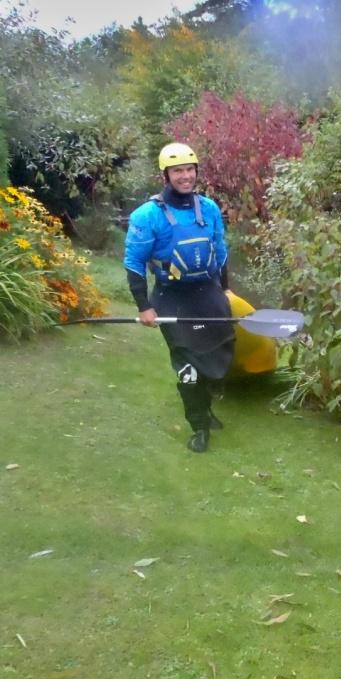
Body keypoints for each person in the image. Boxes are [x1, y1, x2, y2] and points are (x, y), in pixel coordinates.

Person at [123, 142, 234, 453]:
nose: (185, 176)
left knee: (220, 351)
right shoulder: (147, 215)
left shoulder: (209, 209)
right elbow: (134, 263)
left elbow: (221, 251)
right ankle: (198, 425)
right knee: (189, 364)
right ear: (166, 175)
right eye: (177, 171)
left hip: (207, 291)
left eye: (189, 169)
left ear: (196, 171)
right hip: (172, 296)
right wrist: (144, 306)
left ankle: (208, 404)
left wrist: (225, 288)